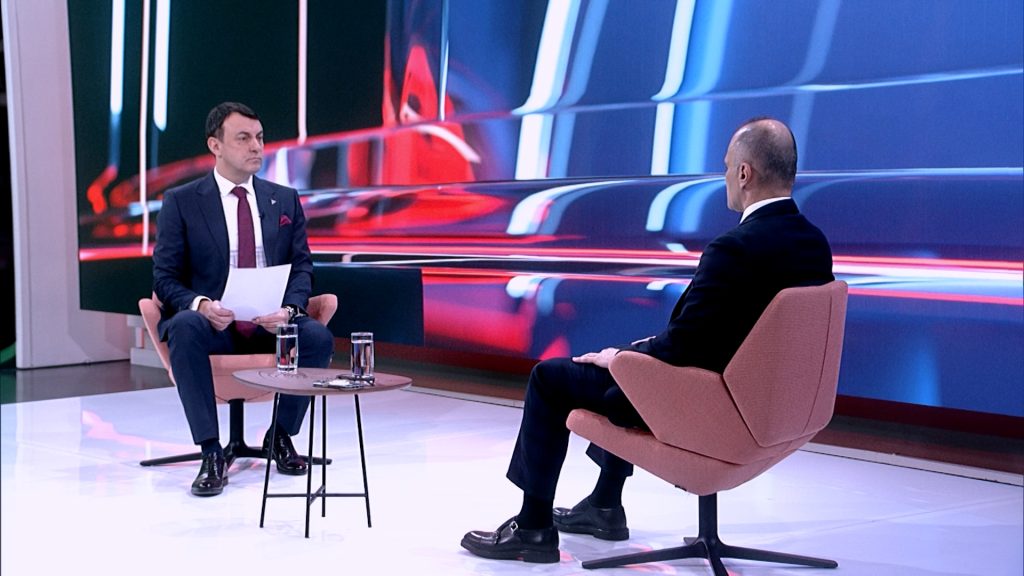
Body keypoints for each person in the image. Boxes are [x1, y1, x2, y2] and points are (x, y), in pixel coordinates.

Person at [461, 117, 835, 563]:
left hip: (707, 406)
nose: (724, 177)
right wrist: (635, 355)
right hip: (768, 408)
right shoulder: (815, 244)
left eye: (725, 167)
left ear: (744, 173)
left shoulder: (735, 248)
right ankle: (604, 505)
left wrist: (624, 357)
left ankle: (533, 528)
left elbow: (681, 350)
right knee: (628, 365)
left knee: (552, 378)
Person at [153, 102, 334, 497]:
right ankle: (211, 451)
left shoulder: (284, 199)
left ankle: (280, 434)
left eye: (260, 137)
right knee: (184, 325)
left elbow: (302, 267)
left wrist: (289, 309)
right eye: (243, 138)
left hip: (271, 323)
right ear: (215, 145)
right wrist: (202, 305)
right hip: (214, 325)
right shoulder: (182, 201)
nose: (256, 146)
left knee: (317, 337)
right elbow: (165, 277)